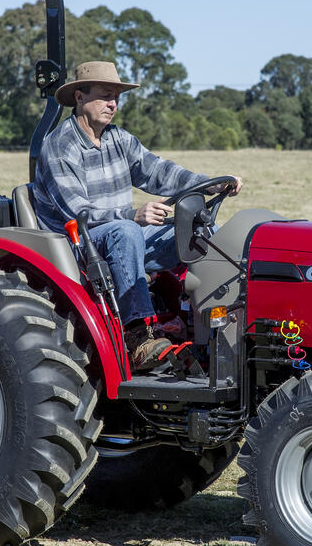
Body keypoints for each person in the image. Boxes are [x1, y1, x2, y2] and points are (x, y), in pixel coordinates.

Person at [32, 61, 243, 371]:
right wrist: (134, 214)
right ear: (79, 97)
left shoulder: (118, 139)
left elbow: (159, 172)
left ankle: (219, 329)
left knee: (201, 231)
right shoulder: (60, 145)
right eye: (105, 96)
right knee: (126, 231)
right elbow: (77, 212)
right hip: (78, 244)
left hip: (120, 236)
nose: (113, 104)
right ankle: (138, 336)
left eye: (116, 97)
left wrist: (210, 183)